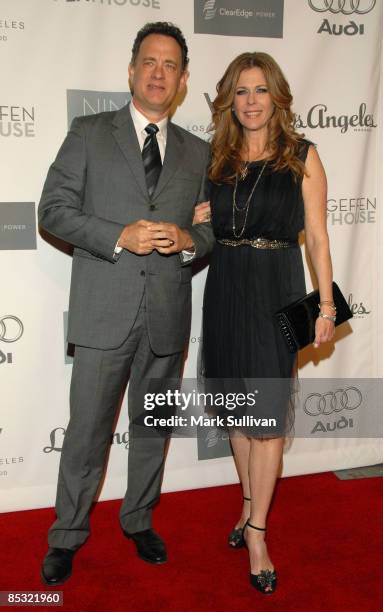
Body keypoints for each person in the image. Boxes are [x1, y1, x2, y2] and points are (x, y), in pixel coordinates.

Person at [38, 21, 214, 586]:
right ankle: (67, 534)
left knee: (152, 430)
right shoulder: (89, 132)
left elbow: (212, 233)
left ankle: (138, 519)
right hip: (102, 315)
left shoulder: (199, 153)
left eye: (170, 66)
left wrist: (190, 240)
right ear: (132, 69)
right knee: (87, 432)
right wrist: (120, 235)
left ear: (183, 80)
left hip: (166, 317)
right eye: (150, 62)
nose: (159, 73)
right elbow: (53, 211)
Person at [201, 52, 335, 594]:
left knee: (267, 417)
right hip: (226, 285)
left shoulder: (303, 155)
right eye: (240, 91)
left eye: (260, 90)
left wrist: (326, 306)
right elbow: (203, 220)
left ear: (276, 97)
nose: (251, 101)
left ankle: (257, 533)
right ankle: (248, 507)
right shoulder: (218, 159)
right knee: (237, 409)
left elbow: (319, 238)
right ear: (229, 101)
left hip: (276, 287)